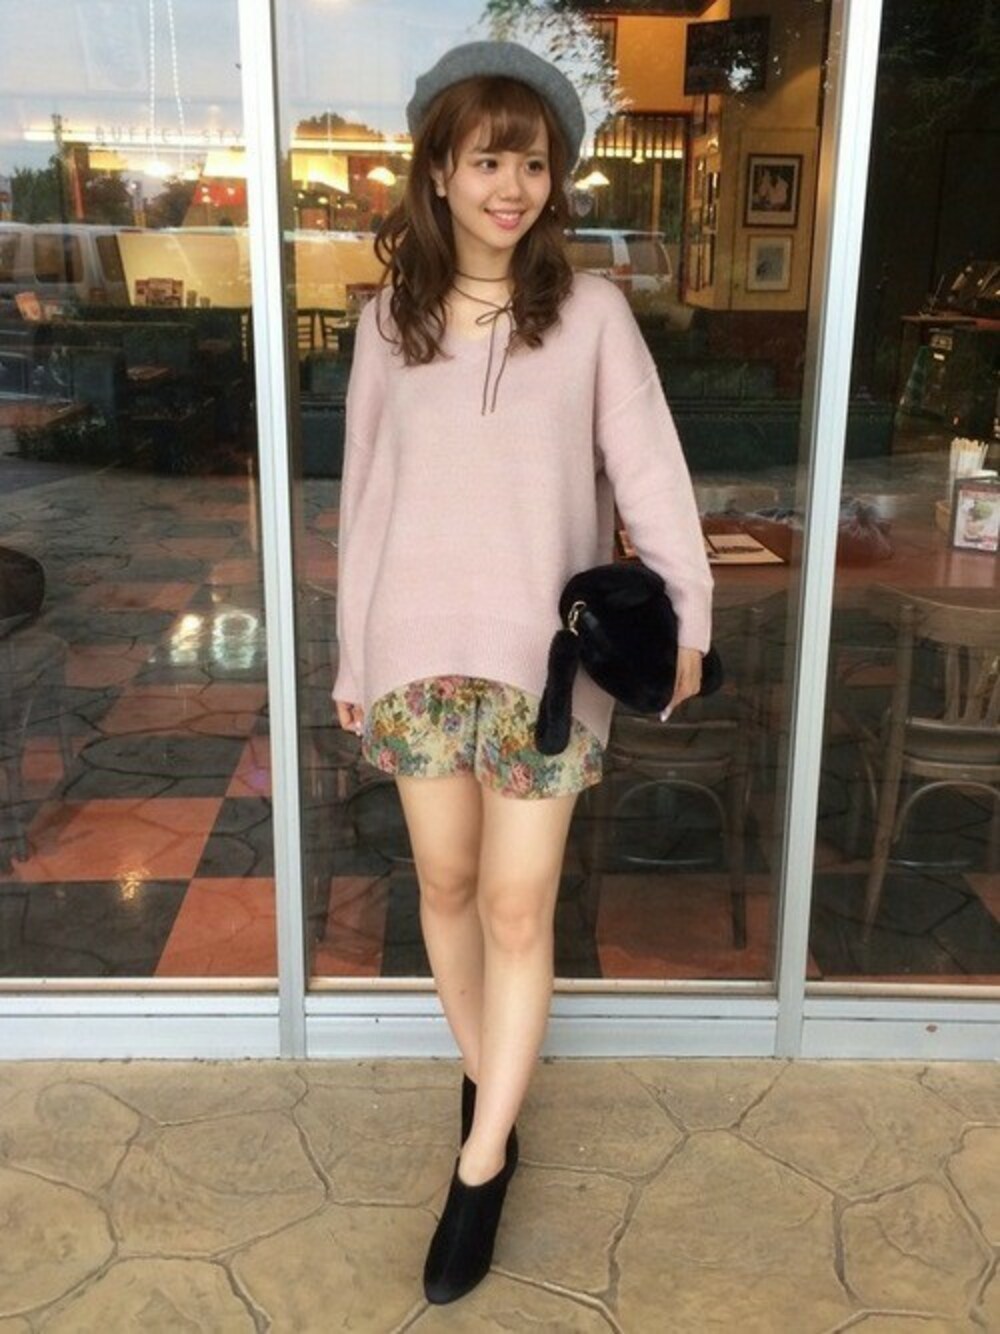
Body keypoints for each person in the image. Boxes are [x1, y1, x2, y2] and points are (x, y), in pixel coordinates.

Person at [331, 39, 713, 1305]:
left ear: (556, 180)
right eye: (487, 160)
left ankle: (482, 1159)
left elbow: (651, 475)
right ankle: (487, 1073)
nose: (511, 186)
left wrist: (689, 614)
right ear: (438, 171)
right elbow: (364, 498)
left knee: (513, 904)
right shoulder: (387, 323)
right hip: (413, 652)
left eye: (533, 163)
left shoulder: (591, 314)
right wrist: (351, 651)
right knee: (443, 884)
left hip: (544, 668)